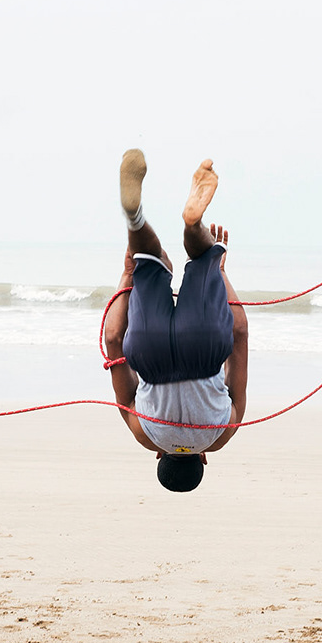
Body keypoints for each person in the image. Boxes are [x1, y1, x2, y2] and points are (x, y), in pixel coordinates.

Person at [100, 151, 250, 492]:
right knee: (151, 258)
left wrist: (218, 272)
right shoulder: (143, 433)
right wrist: (128, 274)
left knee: (202, 256)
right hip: (150, 351)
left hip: (203, 346)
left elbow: (239, 331)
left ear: (203, 459)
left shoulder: (222, 435)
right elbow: (113, 338)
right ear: (159, 456)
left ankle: (194, 225)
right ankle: (135, 219)